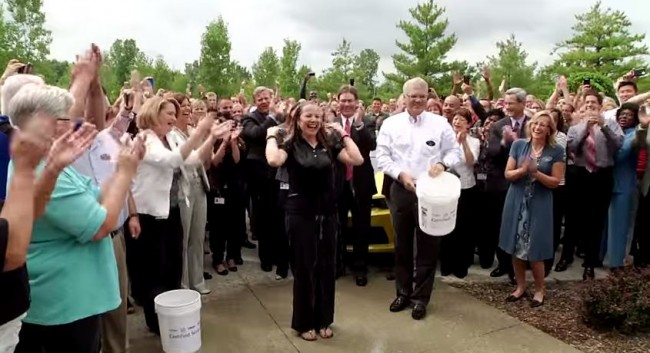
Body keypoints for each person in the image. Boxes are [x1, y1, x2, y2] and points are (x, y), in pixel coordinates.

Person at [265, 102, 363, 341]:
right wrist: (271, 136)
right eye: (308, 115)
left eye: (318, 116)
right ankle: (303, 322)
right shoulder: (292, 143)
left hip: (328, 212)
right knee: (305, 267)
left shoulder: (329, 143)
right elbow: (274, 161)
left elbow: (357, 159)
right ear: (298, 119)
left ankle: (324, 320)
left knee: (327, 268)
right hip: (301, 213)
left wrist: (343, 133)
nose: (314, 120)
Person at [376, 77, 461, 320]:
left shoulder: (440, 123)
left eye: (422, 96)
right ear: (404, 97)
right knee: (402, 244)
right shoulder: (391, 124)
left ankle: (421, 298)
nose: (417, 100)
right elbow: (382, 157)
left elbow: (453, 151)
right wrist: (400, 174)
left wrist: (443, 165)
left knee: (428, 246)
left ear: (428, 97)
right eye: (412, 96)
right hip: (401, 189)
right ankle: (402, 292)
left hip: (431, 192)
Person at [499, 111, 565, 307]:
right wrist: (522, 170)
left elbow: (555, 182)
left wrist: (536, 174)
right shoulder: (519, 145)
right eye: (536, 123)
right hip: (516, 200)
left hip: (540, 203)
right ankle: (520, 287)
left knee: (535, 248)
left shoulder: (556, 150)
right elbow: (508, 174)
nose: (538, 127)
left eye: (543, 125)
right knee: (515, 246)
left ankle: (539, 289)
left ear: (549, 129)